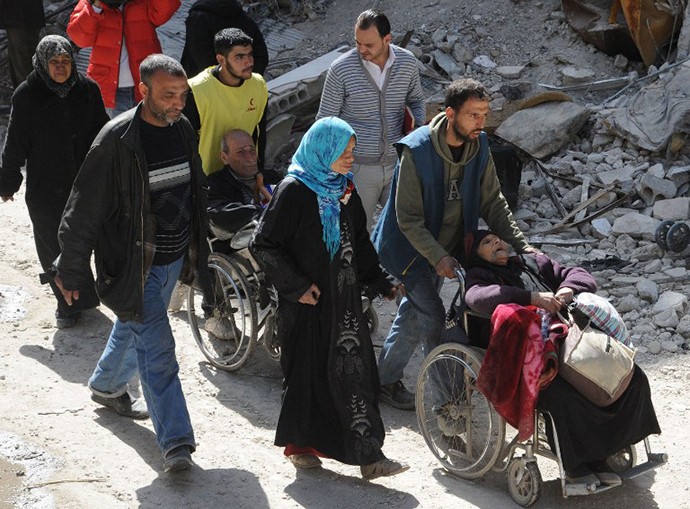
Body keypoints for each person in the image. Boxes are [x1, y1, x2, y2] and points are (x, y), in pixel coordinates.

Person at [51, 54, 210, 473]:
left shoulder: (184, 129)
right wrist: (70, 269)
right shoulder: (116, 140)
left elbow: (194, 191)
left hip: (174, 261)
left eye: (182, 95)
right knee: (159, 350)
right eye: (168, 95)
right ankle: (176, 442)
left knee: (133, 321)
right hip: (134, 264)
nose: (178, 103)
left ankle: (106, 386)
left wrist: (200, 249)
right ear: (143, 92)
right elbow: (81, 209)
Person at [250, 117, 408, 480]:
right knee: (307, 376)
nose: (350, 158)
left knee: (356, 378)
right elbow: (264, 245)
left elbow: (360, 244)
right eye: (344, 151)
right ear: (323, 150)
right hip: (307, 307)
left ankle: (370, 456)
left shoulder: (344, 190)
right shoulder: (294, 190)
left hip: (346, 306)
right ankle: (302, 446)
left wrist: (381, 281)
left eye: (353, 151)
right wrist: (298, 286)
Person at [371, 78, 534, 410]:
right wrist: (439, 258)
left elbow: (493, 201)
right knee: (433, 317)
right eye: (473, 115)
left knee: (413, 313)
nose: (481, 122)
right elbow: (409, 220)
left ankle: (383, 381)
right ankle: (448, 404)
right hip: (408, 249)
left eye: (484, 114)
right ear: (450, 113)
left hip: (446, 247)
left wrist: (523, 246)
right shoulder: (416, 151)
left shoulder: (480, 146)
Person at [464, 230, 661, 487]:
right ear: (475, 255)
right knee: (561, 393)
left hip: (567, 340)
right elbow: (477, 299)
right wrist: (531, 299)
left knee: (629, 375)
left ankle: (608, 448)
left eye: (497, 239)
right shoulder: (479, 276)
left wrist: (567, 289)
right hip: (528, 354)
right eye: (487, 243)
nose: (497, 243)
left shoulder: (531, 263)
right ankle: (577, 465)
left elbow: (579, 274)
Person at [0, 35, 107, 328]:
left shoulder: (87, 90)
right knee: (51, 244)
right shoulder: (27, 95)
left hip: (85, 182)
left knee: (87, 238)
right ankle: (67, 304)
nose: (61, 68)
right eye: (54, 62)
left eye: (66, 61)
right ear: (43, 63)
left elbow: (104, 135)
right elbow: (16, 142)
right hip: (45, 188)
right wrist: (7, 181)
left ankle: (88, 292)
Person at [316, 9, 425, 231]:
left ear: (387, 39)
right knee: (357, 233)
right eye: (358, 43)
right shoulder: (340, 70)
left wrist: (417, 128)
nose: (362, 50)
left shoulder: (407, 63)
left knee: (407, 228)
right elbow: (325, 122)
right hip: (357, 169)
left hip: (398, 165)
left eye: (369, 45)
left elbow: (416, 101)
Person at [67, 0, 181, 117]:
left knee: (150, 133)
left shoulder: (143, 3)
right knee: (118, 134)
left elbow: (165, 12)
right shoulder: (90, 3)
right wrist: (95, 7)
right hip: (112, 92)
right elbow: (80, 39)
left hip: (148, 85)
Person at [184, 28, 268, 176]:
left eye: (250, 54)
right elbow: (185, 144)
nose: (248, 62)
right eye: (239, 57)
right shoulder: (196, 90)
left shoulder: (258, 85)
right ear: (221, 59)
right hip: (206, 179)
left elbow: (260, 134)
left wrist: (258, 173)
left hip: (243, 176)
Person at [181, 0, 268, 78]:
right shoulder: (243, 18)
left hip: (203, 85)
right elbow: (261, 54)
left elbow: (200, 57)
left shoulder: (198, 19)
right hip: (238, 85)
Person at [0, 0, 45, 88]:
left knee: (25, 58)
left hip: (23, 16)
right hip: (18, 16)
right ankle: (26, 93)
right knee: (21, 57)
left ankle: (28, 93)